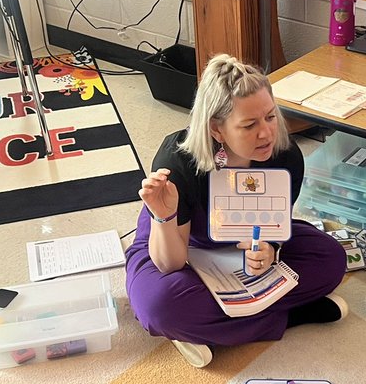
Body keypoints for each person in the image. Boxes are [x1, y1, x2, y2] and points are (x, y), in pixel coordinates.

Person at [126, 54, 348, 367]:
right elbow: (170, 263)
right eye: (249, 125)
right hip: (182, 241)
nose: (266, 133)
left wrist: (270, 250)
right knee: (159, 306)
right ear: (217, 129)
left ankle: (214, 327)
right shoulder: (178, 162)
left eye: (270, 117)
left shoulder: (284, 156)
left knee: (331, 259)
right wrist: (164, 216)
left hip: (240, 243)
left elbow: (273, 232)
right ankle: (290, 317)